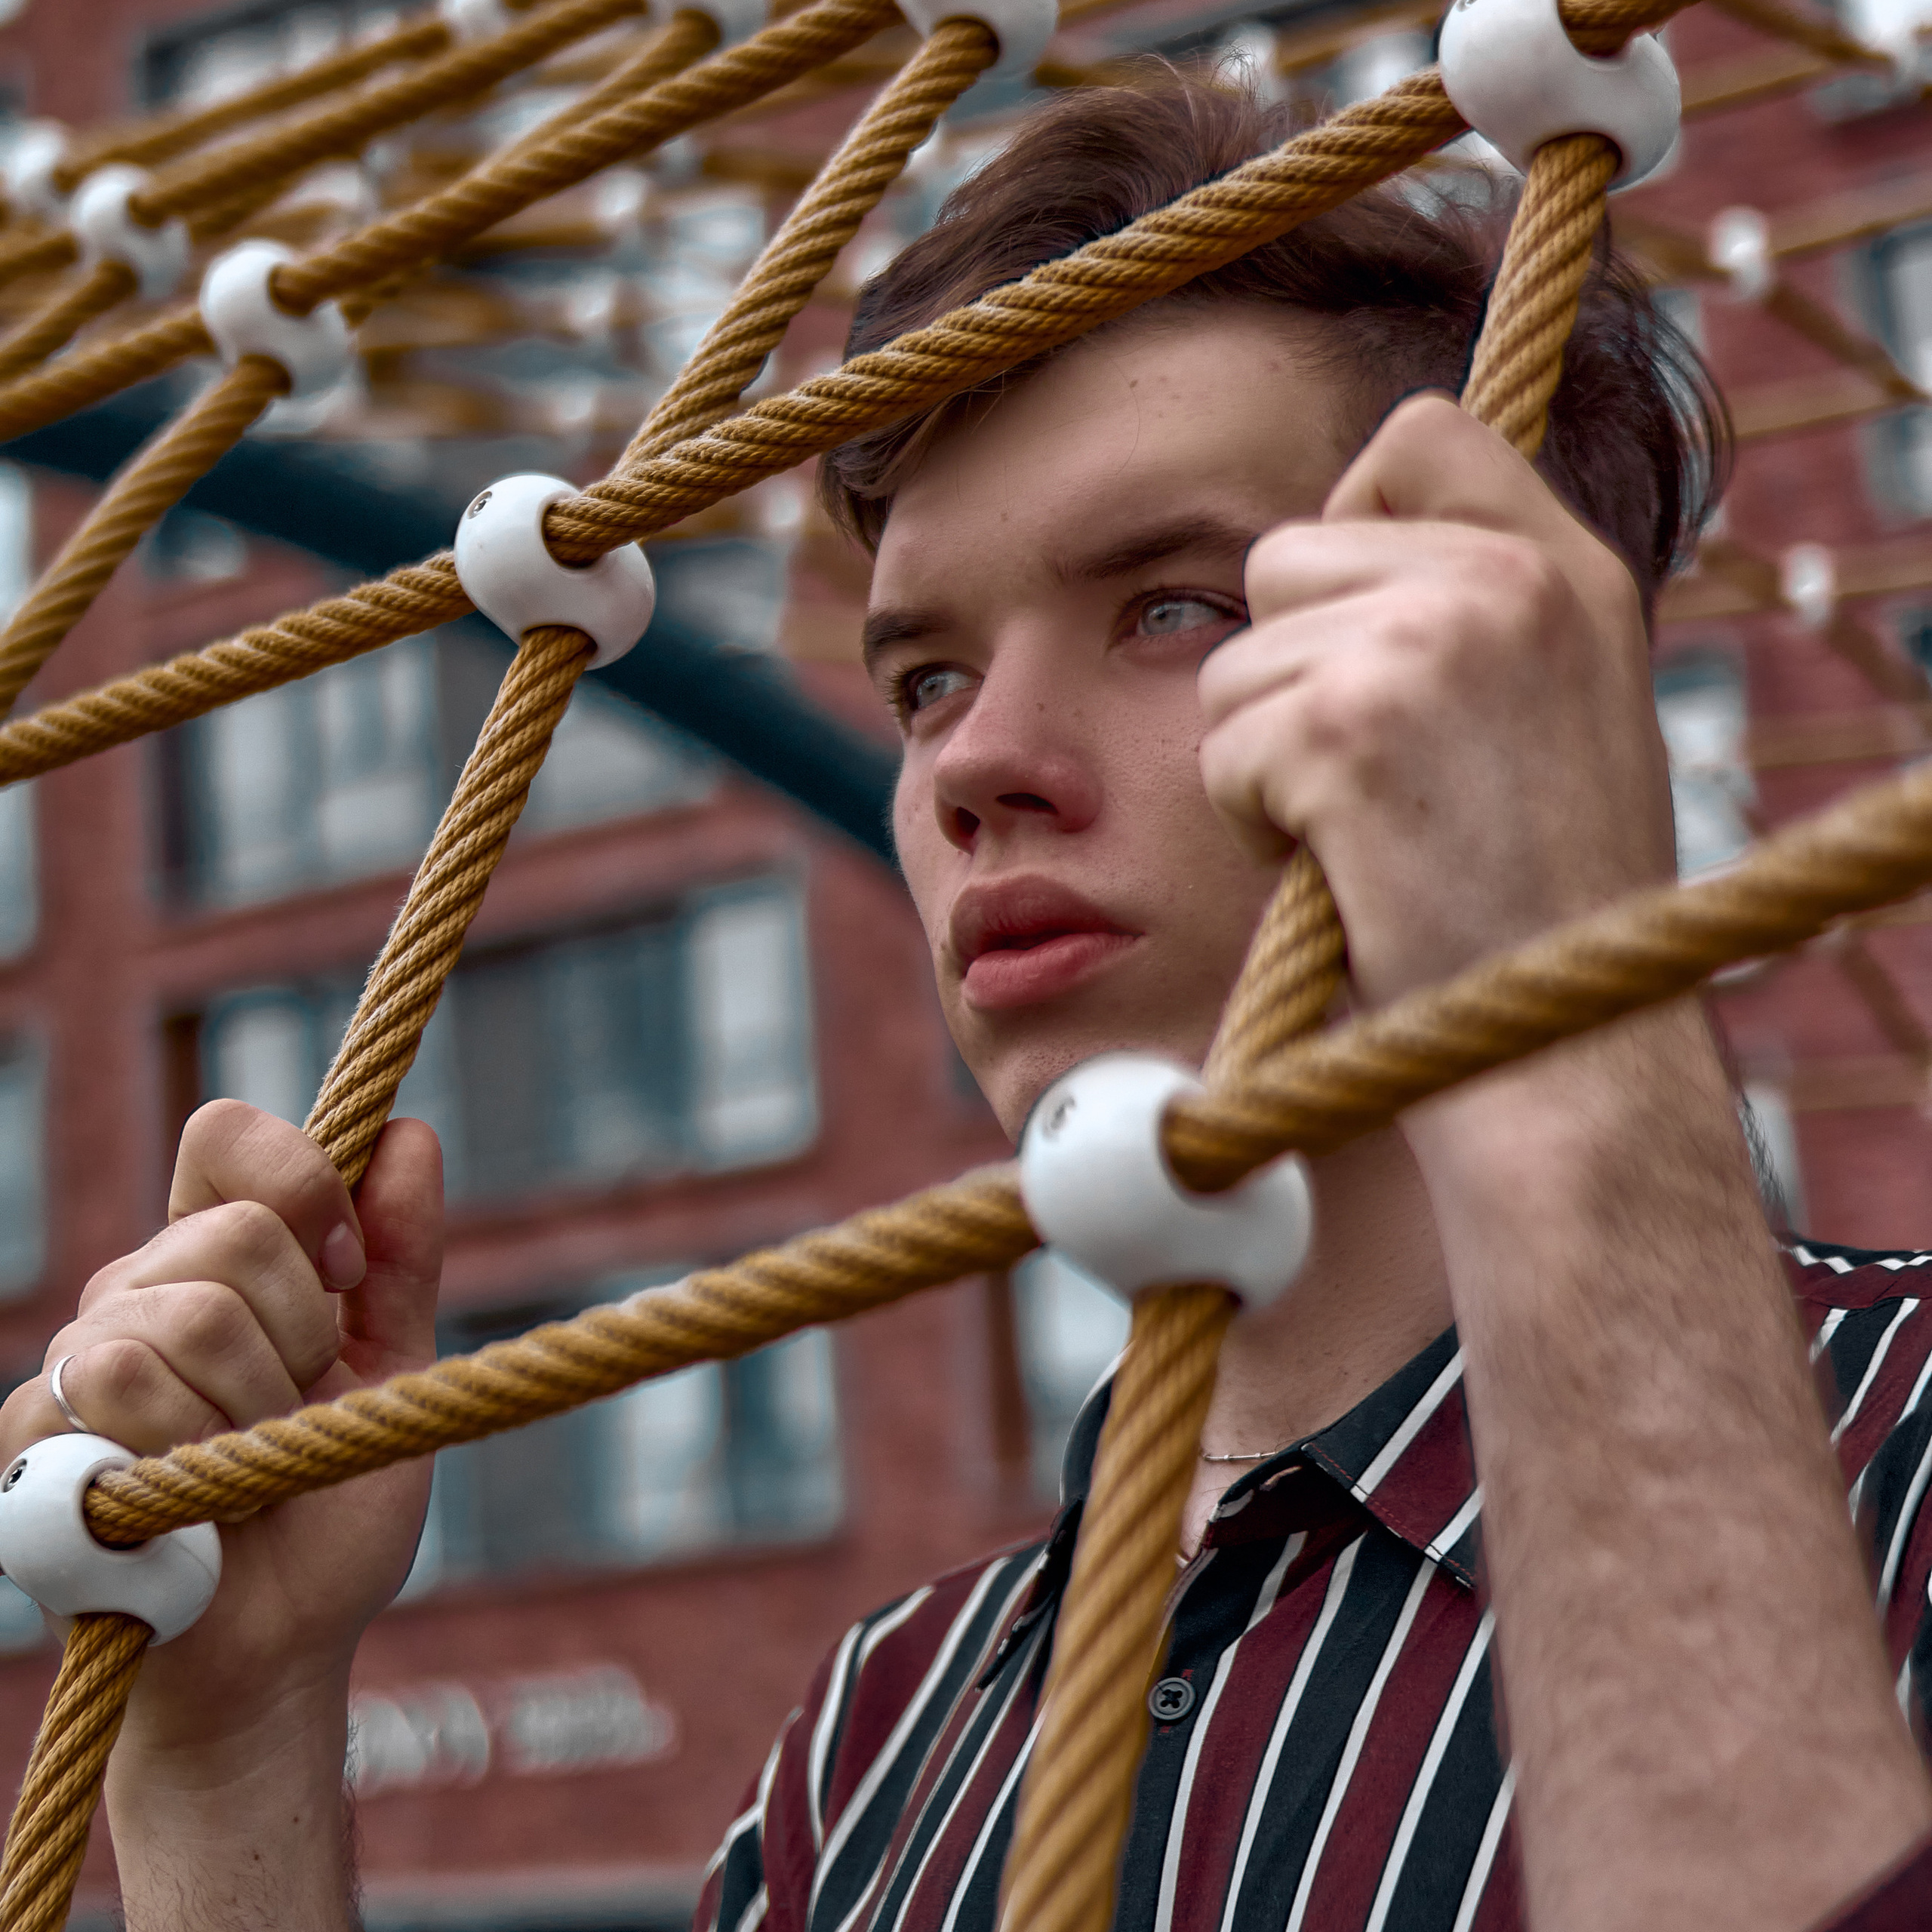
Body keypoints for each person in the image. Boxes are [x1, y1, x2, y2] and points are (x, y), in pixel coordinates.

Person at [9, 72, 1932, 1932]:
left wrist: (1558, 1002)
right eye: (922, 677)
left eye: (1172, 603)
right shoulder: (876, 1738)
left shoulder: (1903, 1445)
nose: (968, 763)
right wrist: (238, 1752)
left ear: (1526, 651)